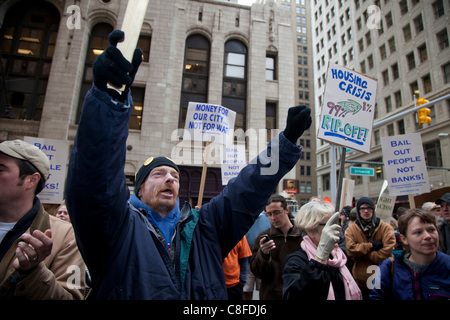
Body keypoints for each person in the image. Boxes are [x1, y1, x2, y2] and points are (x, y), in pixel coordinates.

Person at [64, 30, 312, 300]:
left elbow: (248, 188)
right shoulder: (117, 228)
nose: (170, 178)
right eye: (159, 174)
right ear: (139, 189)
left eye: (175, 175)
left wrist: (284, 144)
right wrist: (108, 100)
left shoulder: (205, 226)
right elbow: (94, 185)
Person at [0, 140, 86, 299]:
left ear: (31, 180)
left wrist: (32, 272)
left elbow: (71, 296)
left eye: (1, 169)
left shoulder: (67, 237)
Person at [283, 201, 361, 300]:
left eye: (337, 223)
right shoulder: (296, 262)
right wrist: (321, 257)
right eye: (329, 225)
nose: (336, 229)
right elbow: (294, 296)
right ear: (311, 231)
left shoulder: (339, 257)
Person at [370, 209, 450, 300]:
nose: (428, 236)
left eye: (431, 230)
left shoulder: (447, 265)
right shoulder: (388, 268)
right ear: (404, 239)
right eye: (418, 232)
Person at [249, 194, 303, 300]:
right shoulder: (263, 238)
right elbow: (257, 272)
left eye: (277, 212)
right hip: (271, 295)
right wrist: (263, 255)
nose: (273, 218)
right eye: (269, 214)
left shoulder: (302, 236)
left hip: (298, 294)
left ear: (286, 210)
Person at [344, 196, 396, 299]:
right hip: (361, 280)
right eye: (363, 208)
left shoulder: (386, 228)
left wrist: (363, 255)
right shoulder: (351, 230)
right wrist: (372, 245)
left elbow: (388, 253)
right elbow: (351, 250)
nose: (366, 211)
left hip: (383, 277)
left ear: (373, 209)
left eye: (369, 208)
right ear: (358, 211)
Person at [243, 211, 271, 300]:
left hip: (263, 261)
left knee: (265, 290)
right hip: (246, 261)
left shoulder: (267, 219)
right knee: (246, 291)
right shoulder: (245, 217)